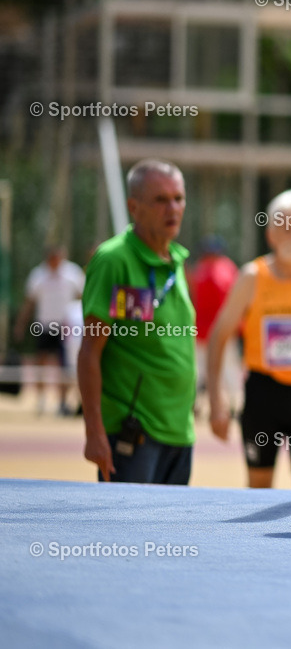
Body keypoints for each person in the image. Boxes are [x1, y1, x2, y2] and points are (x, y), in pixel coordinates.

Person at [207, 189, 291, 490]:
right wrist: (217, 400)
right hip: (263, 396)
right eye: (284, 226)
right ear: (270, 233)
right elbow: (218, 336)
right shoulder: (251, 278)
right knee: (259, 490)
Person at [78, 159, 197, 484]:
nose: (172, 208)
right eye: (160, 200)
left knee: (171, 533)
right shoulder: (113, 260)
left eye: (178, 198)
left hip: (180, 432)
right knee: (128, 534)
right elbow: (89, 351)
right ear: (134, 206)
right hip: (134, 434)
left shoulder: (176, 261)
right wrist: (94, 432)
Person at [14, 246, 85, 416]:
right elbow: (29, 302)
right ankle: (41, 399)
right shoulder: (38, 275)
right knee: (41, 361)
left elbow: (83, 297)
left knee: (65, 365)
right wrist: (21, 324)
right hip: (44, 325)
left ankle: (62, 402)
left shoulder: (73, 273)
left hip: (66, 326)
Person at [188, 235, 240, 404]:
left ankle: (194, 404)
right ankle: (235, 404)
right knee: (227, 368)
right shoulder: (228, 268)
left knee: (199, 369)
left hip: (204, 329)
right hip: (221, 329)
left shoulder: (200, 270)